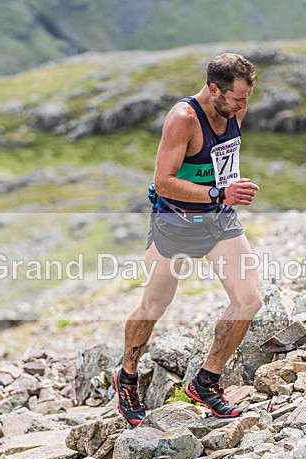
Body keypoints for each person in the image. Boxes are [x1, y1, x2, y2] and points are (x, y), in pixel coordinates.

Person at [113, 52, 263, 426]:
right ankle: (127, 376)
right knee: (153, 307)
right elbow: (163, 180)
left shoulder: (233, 112)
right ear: (214, 89)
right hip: (175, 222)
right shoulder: (183, 119)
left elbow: (221, 163)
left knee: (249, 300)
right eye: (238, 99)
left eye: (247, 98)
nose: (244, 106)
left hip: (218, 221)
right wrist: (218, 193)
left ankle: (206, 382)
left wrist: (226, 193)